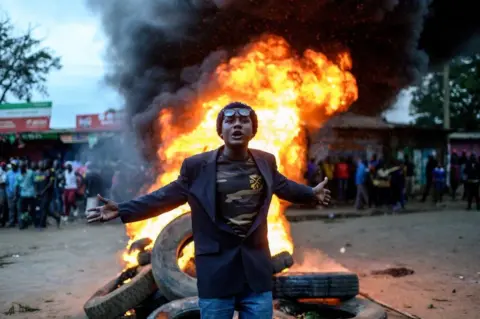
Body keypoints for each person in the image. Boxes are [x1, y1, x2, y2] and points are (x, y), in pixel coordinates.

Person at [87, 102, 331, 319]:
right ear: (220, 130)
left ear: (253, 130)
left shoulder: (265, 161)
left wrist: (311, 194)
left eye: (244, 121)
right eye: (230, 120)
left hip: (255, 277)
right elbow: (163, 197)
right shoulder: (197, 167)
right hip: (217, 275)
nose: (237, 125)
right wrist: (122, 209)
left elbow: (284, 186)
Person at [36, 160, 61, 228]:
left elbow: (51, 183)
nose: (43, 164)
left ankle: (42, 224)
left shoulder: (51, 171)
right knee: (45, 209)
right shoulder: (41, 172)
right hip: (41, 193)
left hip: (48, 193)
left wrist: (43, 191)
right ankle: (57, 217)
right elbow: (38, 182)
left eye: (45, 163)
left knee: (44, 208)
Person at [15, 163, 37, 229]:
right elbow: (17, 186)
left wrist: (36, 193)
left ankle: (32, 222)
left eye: (22, 167)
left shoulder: (31, 173)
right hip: (23, 195)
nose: (21, 169)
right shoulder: (18, 175)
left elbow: (35, 182)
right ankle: (22, 224)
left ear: (25, 167)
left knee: (32, 210)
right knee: (21, 210)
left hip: (31, 194)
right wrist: (16, 195)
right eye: (20, 167)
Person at [5, 161, 20, 227]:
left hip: (19, 194)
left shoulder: (20, 172)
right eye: (12, 165)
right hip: (10, 194)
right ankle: (11, 222)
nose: (13, 166)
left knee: (19, 208)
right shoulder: (8, 173)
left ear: (17, 165)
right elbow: (6, 184)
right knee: (11, 209)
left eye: (14, 165)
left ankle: (20, 222)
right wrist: (8, 192)